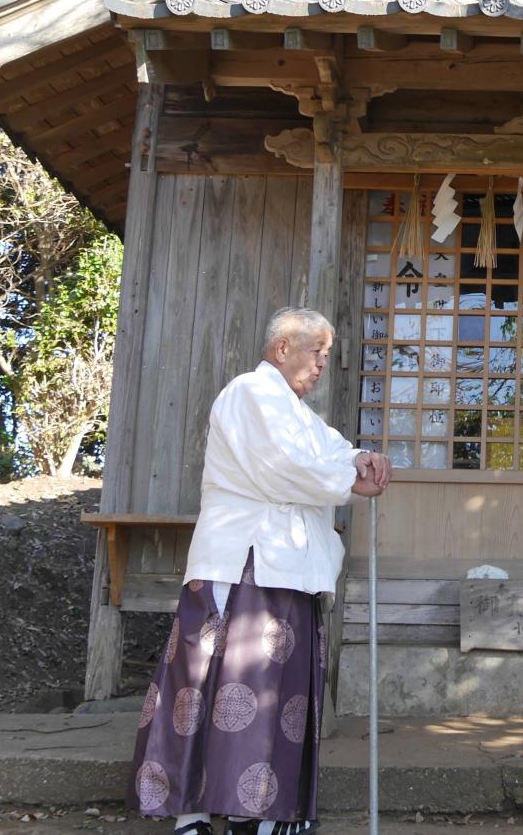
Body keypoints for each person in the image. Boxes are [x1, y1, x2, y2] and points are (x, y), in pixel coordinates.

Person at [128, 307, 391, 835]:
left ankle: (264, 812)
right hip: (242, 564)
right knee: (215, 684)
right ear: (281, 349)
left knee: (276, 695)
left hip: (285, 568)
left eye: (326, 355)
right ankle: (194, 811)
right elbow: (282, 466)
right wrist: (348, 477)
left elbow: (328, 450)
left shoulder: (299, 413)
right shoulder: (249, 392)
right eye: (315, 351)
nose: (322, 364)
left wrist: (361, 457)